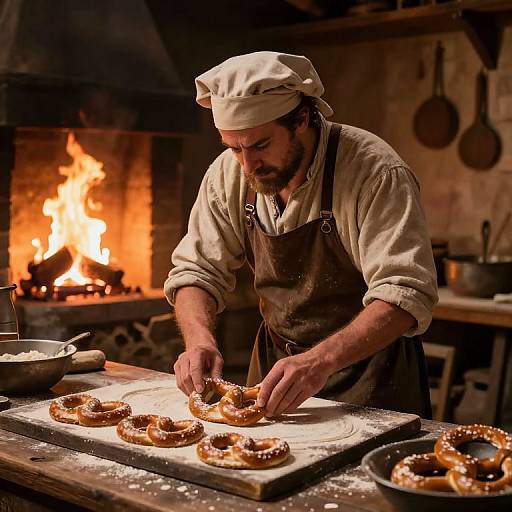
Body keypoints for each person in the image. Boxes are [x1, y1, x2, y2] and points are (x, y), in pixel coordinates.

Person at [165, 51, 438, 419]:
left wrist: (319, 361)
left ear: (303, 119)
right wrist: (199, 339)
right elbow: (195, 271)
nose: (248, 165)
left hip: (373, 377)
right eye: (233, 148)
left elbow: (405, 295)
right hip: (275, 374)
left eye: (260, 145)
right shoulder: (230, 174)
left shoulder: (374, 173)